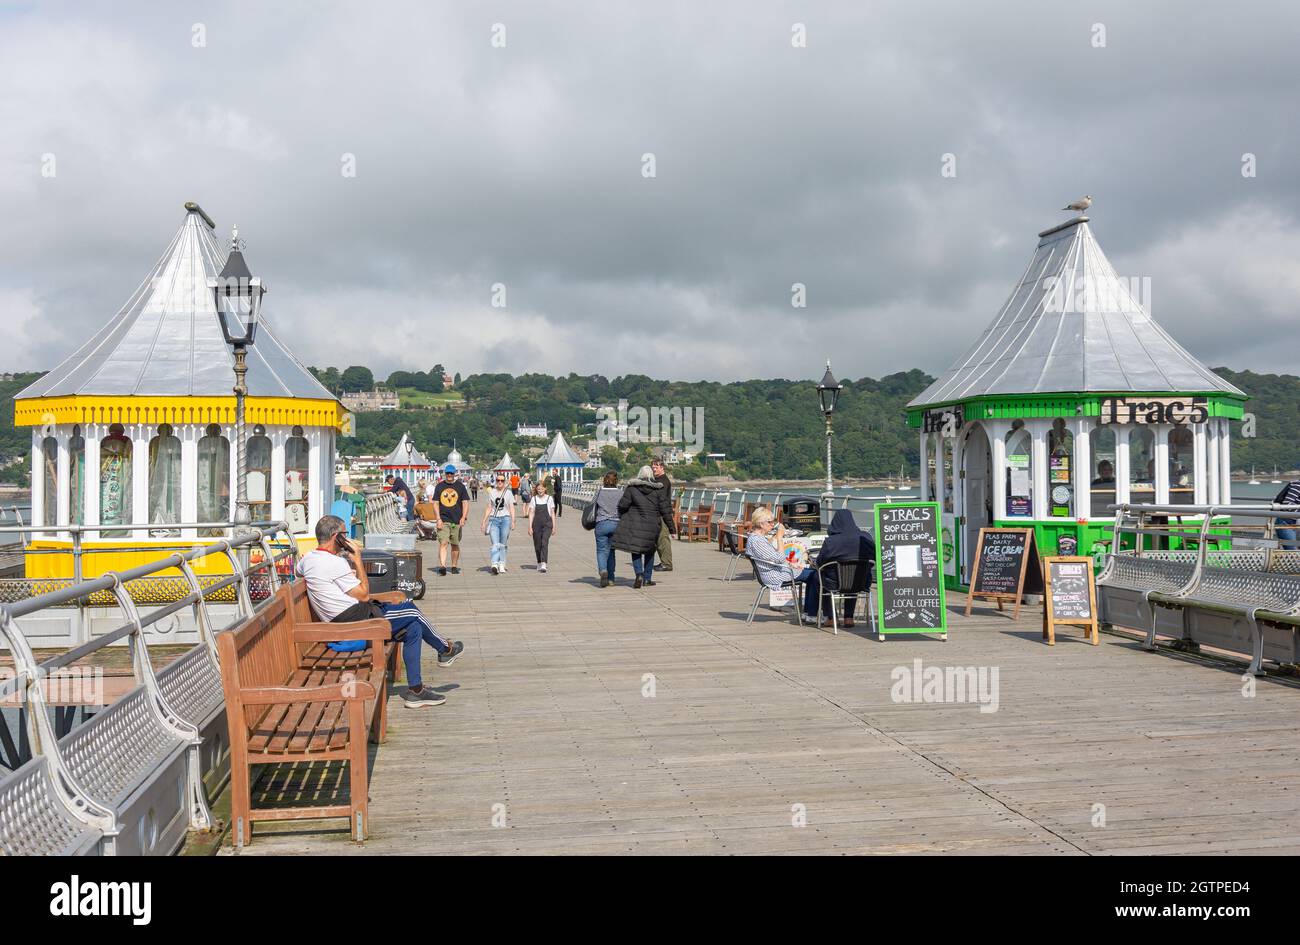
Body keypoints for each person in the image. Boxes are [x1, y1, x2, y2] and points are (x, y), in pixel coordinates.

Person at [298, 515, 463, 709]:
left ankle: (416, 691)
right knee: (412, 612)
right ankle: (445, 650)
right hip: (356, 626)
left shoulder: (309, 559)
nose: (348, 538)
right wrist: (357, 560)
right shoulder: (335, 564)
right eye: (345, 534)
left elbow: (300, 571)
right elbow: (364, 594)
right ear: (337, 537)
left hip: (346, 622)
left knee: (413, 629)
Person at [804, 509, 875, 627]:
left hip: (834, 583)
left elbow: (820, 563)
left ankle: (831, 617)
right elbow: (874, 557)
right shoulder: (866, 537)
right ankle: (849, 617)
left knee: (818, 576)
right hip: (861, 582)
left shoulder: (831, 541)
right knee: (855, 575)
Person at [612, 465, 673, 589]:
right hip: (653, 525)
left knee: (636, 550)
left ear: (639, 474)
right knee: (650, 551)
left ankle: (639, 574)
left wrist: (625, 514)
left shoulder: (631, 488)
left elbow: (623, 505)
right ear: (651, 475)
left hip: (636, 524)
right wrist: (672, 528)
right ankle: (647, 578)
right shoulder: (658, 490)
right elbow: (665, 510)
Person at [746, 507, 813, 605]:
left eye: (773, 521)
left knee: (813, 573)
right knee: (815, 576)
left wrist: (791, 564)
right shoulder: (757, 541)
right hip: (773, 575)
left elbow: (775, 557)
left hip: (775, 571)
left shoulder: (757, 538)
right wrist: (779, 538)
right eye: (770, 522)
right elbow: (779, 559)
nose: (773, 524)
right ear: (761, 524)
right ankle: (811, 613)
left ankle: (809, 612)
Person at [432, 464, 471, 575]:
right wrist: (438, 519)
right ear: (445, 474)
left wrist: (463, 517)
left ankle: (454, 566)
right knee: (443, 543)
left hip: (456, 520)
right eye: (447, 473)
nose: (449, 475)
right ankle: (443, 566)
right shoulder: (439, 487)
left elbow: (465, 503)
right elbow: (435, 503)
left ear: (454, 474)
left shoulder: (460, 487)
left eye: (451, 473)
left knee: (455, 544)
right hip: (443, 519)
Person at [481, 471, 516, 574]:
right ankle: (494, 564)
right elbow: (489, 507)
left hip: (505, 519)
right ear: (495, 481)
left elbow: (511, 507)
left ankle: (502, 564)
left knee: (503, 543)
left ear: (504, 482)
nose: (500, 482)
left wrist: (513, 521)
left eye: (502, 480)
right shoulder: (492, 492)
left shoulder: (508, 493)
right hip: (494, 519)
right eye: (498, 480)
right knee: (495, 543)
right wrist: (483, 521)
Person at [592, 471, 623, 587]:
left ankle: (603, 570)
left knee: (601, 550)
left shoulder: (599, 492)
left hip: (601, 523)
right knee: (611, 551)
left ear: (604, 480)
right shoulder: (621, 493)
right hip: (616, 524)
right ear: (616, 481)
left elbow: (592, 504)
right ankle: (611, 578)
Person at [648, 458, 676, 572]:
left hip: (662, 514)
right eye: (653, 467)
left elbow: (662, 502)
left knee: (663, 539)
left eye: (656, 467)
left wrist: (672, 527)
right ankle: (664, 561)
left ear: (662, 467)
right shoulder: (658, 480)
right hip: (658, 514)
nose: (654, 469)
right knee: (659, 539)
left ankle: (667, 563)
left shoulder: (663, 482)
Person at [527, 480, 557, 572]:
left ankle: (544, 563)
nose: (540, 490)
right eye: (538, 489)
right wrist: (530, 527)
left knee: (544, 542)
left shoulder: (549, 498)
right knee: (537, 544)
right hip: (536, 524)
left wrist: (554, 526)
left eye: (542, 489)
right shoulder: (534, 499)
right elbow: (531, 513)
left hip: (547, 524)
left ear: (545, 489)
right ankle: (539, 562)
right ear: (536, 489)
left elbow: (552, 513)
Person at [1273, 479, 1300, 549]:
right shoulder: (1297, 484)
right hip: (1285, 523)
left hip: (1296, 522)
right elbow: (1287, 504)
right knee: (1292, 552)